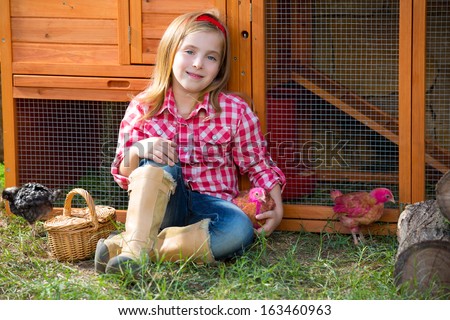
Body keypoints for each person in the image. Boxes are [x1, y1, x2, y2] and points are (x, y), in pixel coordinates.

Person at [94, 10, 286, 275]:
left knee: (239, 230)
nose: (198, 64)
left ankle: (128, 249)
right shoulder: (144, 107)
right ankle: (137, 248)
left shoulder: (233, 110)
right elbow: (123, 174)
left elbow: (257, 163)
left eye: (210, 57)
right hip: (160, 211)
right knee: (155, 156)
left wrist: (277, 206)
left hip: (212, 211)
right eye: (190, 52)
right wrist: (139, 150)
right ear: (170, 53)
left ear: (220, 67)